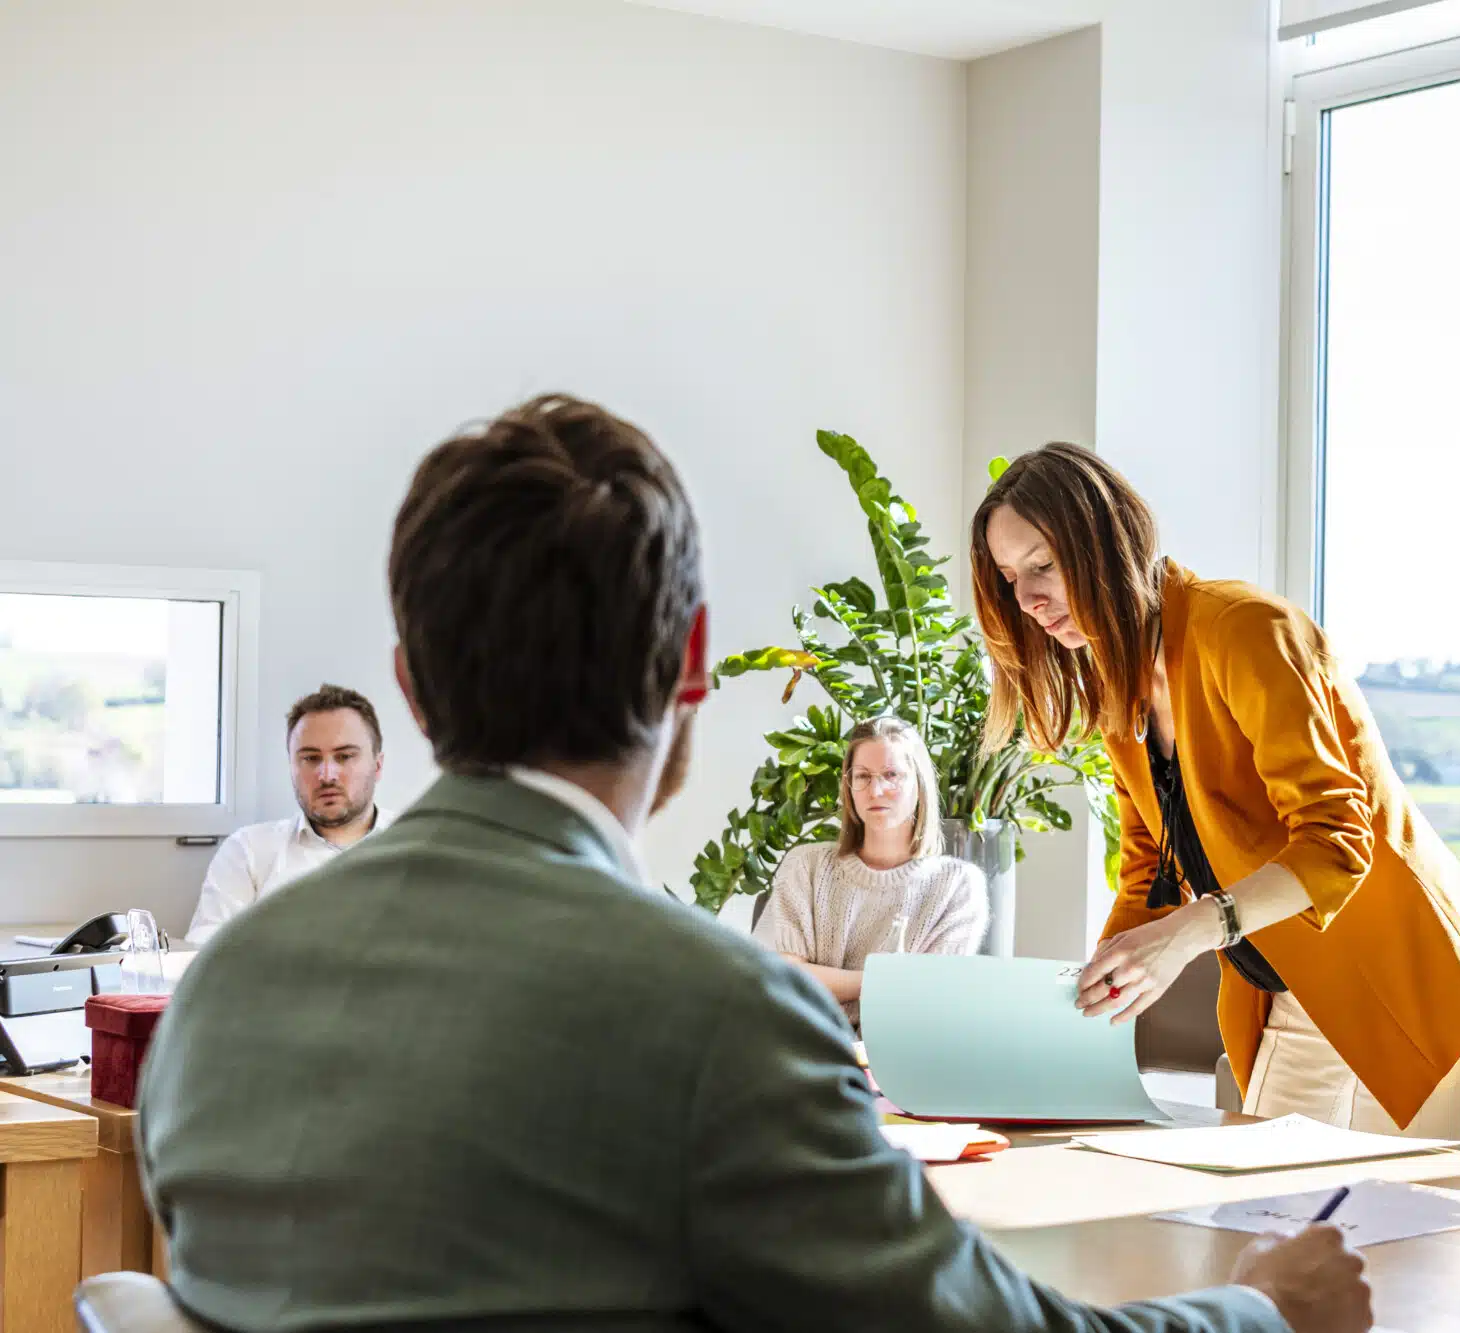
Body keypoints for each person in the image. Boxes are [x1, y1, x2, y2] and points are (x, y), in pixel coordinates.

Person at [139, 395, 1375, 1333]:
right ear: (691, 662)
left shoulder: (219, 994)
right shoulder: (717, 1022)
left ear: (407, 691)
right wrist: (1263, 1309)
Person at [971, 442, 1460, 1140]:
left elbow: (1336, 842)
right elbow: (1149, 874)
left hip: (1406, 982)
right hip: (1285, 992)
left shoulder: (1243, 630)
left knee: (1410, 1239)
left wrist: (1188, 933)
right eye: (1011, 576)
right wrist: (1079, 1006)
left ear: (1104, 539)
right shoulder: (1121, 691)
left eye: (1043, 564)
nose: (1027, 598)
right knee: (1260, 1228)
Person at [753, 715, 988, 1026]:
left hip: (900, 1056)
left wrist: (830, 981)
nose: (875, 790)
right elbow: (779, 977)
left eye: (891, 775)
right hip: (801, 1049)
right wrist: (882, 980)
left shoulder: (957, 885)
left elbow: (930, 998)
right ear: (849, 786)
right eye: (863, 776)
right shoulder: (806, 866)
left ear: (918, 785)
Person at [184, 684, 387, 945]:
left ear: (377, 765)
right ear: (291, 766)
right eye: (311, 759)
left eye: (345, 756)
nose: (326, 775)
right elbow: (204, 951)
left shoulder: (418, 847)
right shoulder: (249, 851)